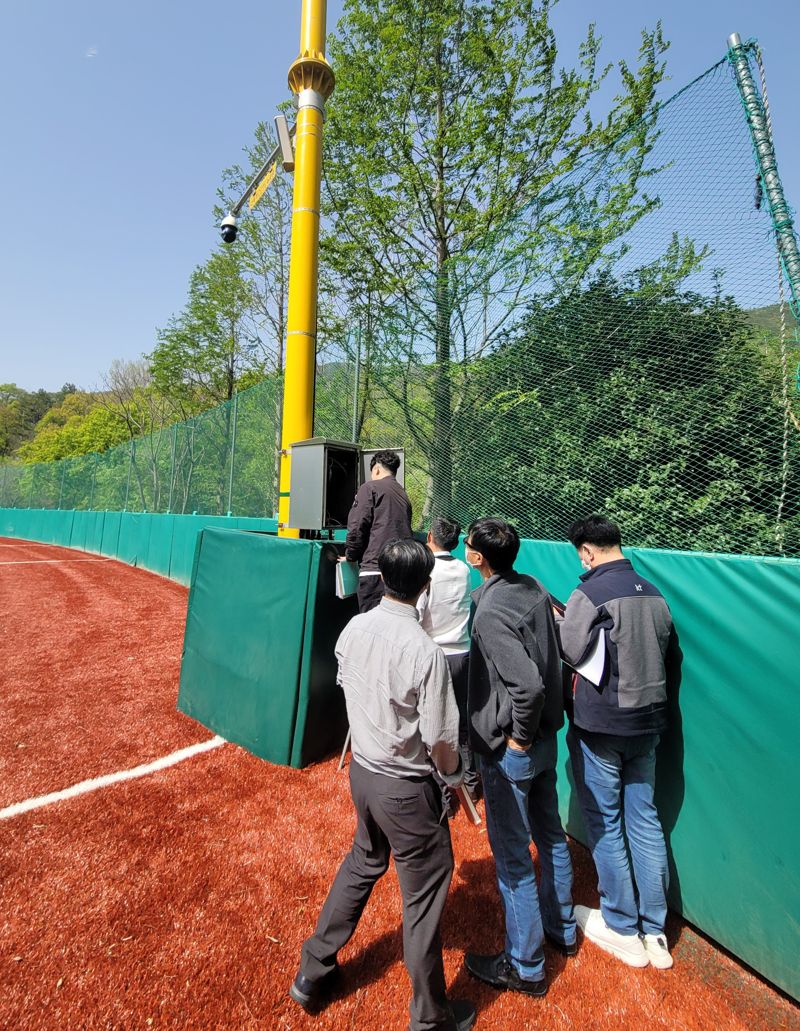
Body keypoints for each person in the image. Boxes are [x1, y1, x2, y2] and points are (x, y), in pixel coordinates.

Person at [290, 538, 476, 1031]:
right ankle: (431, 1018)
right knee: (424, 893)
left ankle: (312, 972)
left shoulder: (354, 628)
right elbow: (440, 742)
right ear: (425, 587)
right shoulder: (424, 651)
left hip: (363, 776)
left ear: (384, 577)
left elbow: (349, 685)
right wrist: (455, 776)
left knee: (363, 862)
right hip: (406, 788)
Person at [463, 517, 576, 998]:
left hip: (517, 748)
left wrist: (517, 742)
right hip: (548, 742)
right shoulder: (533, 586)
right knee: (550, 838)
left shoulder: (490, 613)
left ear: (477, 556)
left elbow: (526, 687)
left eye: (470, 543)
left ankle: (526, 966)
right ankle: (562, 930)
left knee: (512, 860)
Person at [557, 515, 674, 970]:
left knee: (605, 822)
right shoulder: (656, 594)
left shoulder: (588, 592)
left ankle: (623, 926)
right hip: (649, 725)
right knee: (644, 821)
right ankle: (655, 931)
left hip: (603, 724)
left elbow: (570, 650)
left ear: (587, 551)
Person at [417, 515, 480, 810]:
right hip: (463, 655)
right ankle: (469, 784)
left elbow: (417, 612)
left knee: (434, 725)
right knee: (463, 725)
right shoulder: (464, 570)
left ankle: (442, 794)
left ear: (430, 536)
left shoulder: (427, 570)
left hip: (436, 655)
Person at [344, 450, 413, 613]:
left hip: (375, 571)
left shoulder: (370, 488)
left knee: (372, 624)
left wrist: (350, 555)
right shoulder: (403, 495)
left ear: (376, 470)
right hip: (401, 572)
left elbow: (357, 525)